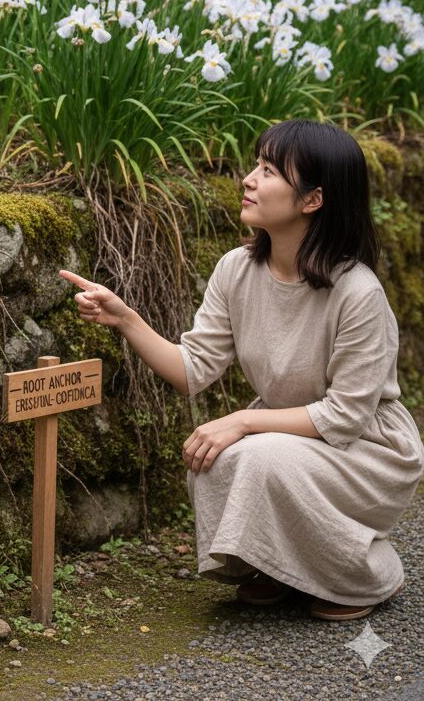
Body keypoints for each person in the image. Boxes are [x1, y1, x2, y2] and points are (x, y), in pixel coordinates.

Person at [59, 119, 424, 621]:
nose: (249, 179)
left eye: (269, 171)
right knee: (216, 456)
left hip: (367, 449)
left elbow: (345, 417)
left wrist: (244, 420)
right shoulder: (237, 269)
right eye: (256, 165)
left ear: (312, 200)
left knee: (252, 454)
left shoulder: (358, 293)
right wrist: (125, 319)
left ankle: (368, 573)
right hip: (288, 437)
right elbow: (192, 368)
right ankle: (274, 567)